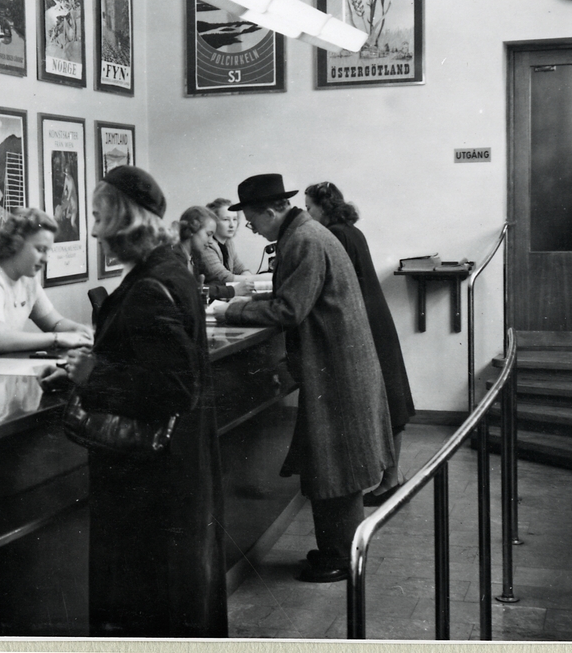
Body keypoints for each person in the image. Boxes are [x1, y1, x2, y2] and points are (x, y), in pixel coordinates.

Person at [43, 166, 227, 636]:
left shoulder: (147, 287)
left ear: (122, 221)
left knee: (144, 605)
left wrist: (92, 374)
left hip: (147, 482)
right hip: (175, 470)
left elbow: (173, 387)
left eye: (98, 218)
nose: (93, 232)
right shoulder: (170, 271)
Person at [211, 173, 394, 583]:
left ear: (271, 211)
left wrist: (231, 311)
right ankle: (336, 551)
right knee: (334, 463)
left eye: (252, 221)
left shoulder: (303, 240)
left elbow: (289, 310)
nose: (252, 229)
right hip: (339, 365)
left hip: (337, 369)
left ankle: (341, 558)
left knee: (338, 466)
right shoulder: (305, 233)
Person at [306, 182, 416, 505]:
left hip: (364, 322)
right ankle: (393, 476)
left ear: (324, 207)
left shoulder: (335, 235)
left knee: (386, 400)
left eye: (310, 208)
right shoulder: (351, 231)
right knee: (391, 397)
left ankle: (390, 480)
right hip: (376, 317)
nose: (308, 215)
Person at [0, 208, 92, 359]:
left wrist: (79, 331)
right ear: (16, 244)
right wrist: (57, 338)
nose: (46, 259)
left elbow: (55, 323)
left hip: (0, 366)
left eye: (48, 251)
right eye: (40, 249)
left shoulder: (27, 280)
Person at [175, 205, 248, 300]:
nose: (210, 241)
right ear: (192, 230)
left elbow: (202, 286)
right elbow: (190, 289)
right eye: (208, 234)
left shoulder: (193, 257)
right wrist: (231, 291)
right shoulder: (176, 258)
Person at [193, 197, 253, 285]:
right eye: (226, 219)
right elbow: (224, 278)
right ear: (213, 222)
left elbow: (241, 269)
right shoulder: (206, 245)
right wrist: (267, 277)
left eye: (235, 219)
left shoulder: (228, 244)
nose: (232, 225)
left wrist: (247, 277)